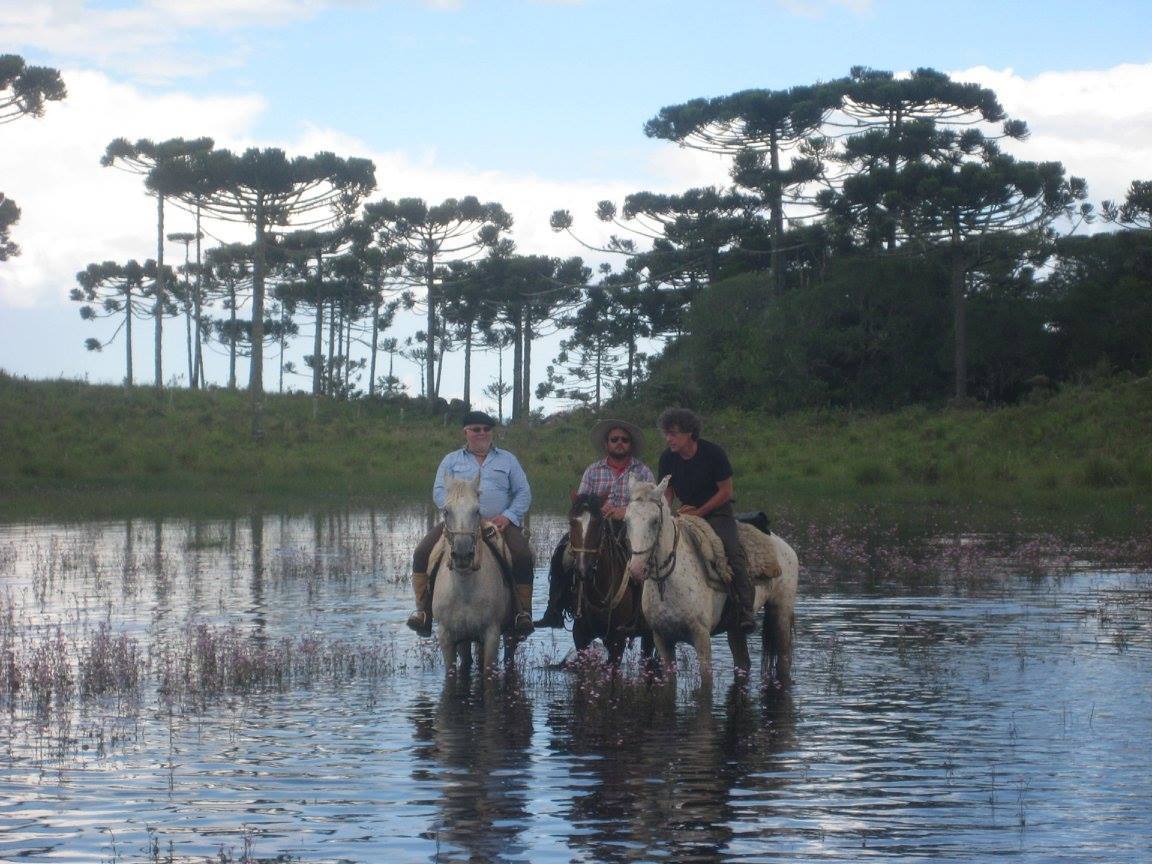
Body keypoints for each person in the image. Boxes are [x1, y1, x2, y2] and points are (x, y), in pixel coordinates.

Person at [406, 410, 535, 638]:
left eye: (486, 429)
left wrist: (508, 516)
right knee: (422, 552)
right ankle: (423, 612)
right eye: (476, 429)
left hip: (499, 523)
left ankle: (522, 613)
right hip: (459, 524)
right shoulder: (451, 460)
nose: (482, 433)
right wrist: (455, 512)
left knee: (523, 555)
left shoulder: (507, 460)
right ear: (466, 432)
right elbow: (438, 492)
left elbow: (523, 492)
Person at [534, 418, 655, 628]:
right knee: (562, 553)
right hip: (595, 526)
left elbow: (650, 506)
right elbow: (581, 503)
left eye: (624, 440)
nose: (619, 443)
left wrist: (623, 511)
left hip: (631, 528)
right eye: (614, 439)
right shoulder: (593, 470)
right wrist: (598, 509)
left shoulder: (642, 471)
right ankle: (555, 609)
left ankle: (644, 615)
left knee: (643, 562)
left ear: (630, 444)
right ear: (606, 443)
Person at [656, 407, 757, 633]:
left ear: (689, 432)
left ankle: (745, 609)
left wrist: (700, 512)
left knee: (732, 551)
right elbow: (668, 491)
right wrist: (666, 514)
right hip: (684, 512)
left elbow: (726, 492)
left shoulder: (713, 453)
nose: (668, 439)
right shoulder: (667, 458)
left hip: (717, 513)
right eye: (666, 433)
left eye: (673, 433)